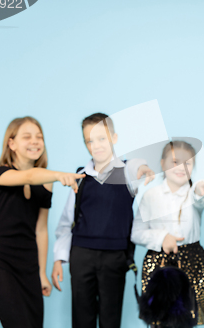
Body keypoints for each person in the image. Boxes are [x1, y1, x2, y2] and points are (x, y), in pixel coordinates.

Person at [51, 113, 155, 328]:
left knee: (110, 318)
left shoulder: (127, 172)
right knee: (82, 317)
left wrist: (143, 169)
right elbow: (66, 222)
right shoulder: (80, 177)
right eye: (89, 140)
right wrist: (59, 258)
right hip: (81, 255)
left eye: (101, 138)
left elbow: (137, 165)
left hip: (115, 257)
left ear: (114, 138)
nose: (96, 145)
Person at [0, 116, 85, 328]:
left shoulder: (47, 183)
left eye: (39, 137)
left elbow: (40, 230)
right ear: (11, 144)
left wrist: (41, 273)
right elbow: (28, 176)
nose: (35, 142)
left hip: (28, 265)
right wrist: (57, 175)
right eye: (27, 137)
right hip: (0, 263)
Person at [131, 140, 204, 325]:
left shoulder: (194, 194)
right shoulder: (150, 196)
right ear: (162, 163)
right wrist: (161, 238)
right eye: (175, 161)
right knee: (159, 318)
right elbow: (136, 233)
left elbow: (199, 197)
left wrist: (200, 189)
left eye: (187, 162)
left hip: (192, 260)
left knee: (189, 316)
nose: (181, 167)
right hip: (158, 263)